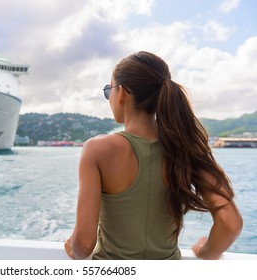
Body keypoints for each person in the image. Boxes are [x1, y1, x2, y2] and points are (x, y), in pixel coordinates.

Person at [64, 51, 243, 260]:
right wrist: (205, 251)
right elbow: (230, 223)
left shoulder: (97, 149)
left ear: (121, 93)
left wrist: (72, 247)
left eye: (108, 90)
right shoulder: (185, 148)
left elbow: (84, 244)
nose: (109, 97)